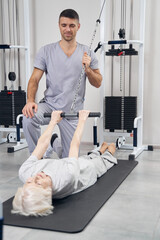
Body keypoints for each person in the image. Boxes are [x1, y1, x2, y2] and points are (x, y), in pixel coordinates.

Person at [22, 9, 102, 158]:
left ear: (78, 27)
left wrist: (88, 69)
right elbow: (34, 79)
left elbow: (97, 82)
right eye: (64, 25)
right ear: (59, 25)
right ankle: (37, 158)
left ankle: (55, 144)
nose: (67, 29)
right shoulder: (46, 51)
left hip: (72, 111)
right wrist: (30, 101)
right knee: (28, 117)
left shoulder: (87, 52)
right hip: (50, 106)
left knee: (69, 163)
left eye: (72, 25)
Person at [12, 110, 117, 217]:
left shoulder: (25, 172)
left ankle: (98, 151)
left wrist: (53, 121)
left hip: (65, 164)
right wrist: (82, 119)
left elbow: (41, 146)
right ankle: (107, 152)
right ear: (49, 193)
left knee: (85, 157)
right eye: (38, 183)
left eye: (29, 182)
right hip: (87, 172)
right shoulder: (66, 177)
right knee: (103, 160)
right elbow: (74, 145)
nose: (35, 177)